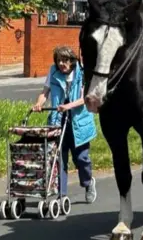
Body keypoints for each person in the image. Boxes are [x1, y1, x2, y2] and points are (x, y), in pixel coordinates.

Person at [33, 46, 98, 204]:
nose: (61, 63)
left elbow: (85, 98)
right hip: (58, 120)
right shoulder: (53, 72)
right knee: (59, 159)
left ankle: (88, 183)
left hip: (78, 121)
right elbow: (45, 91)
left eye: (65, 60)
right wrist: (39, 104)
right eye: (59, 60)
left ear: (72, 61)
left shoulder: (81, 73)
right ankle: (62, 195)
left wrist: (68, 106)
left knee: (81, 158)